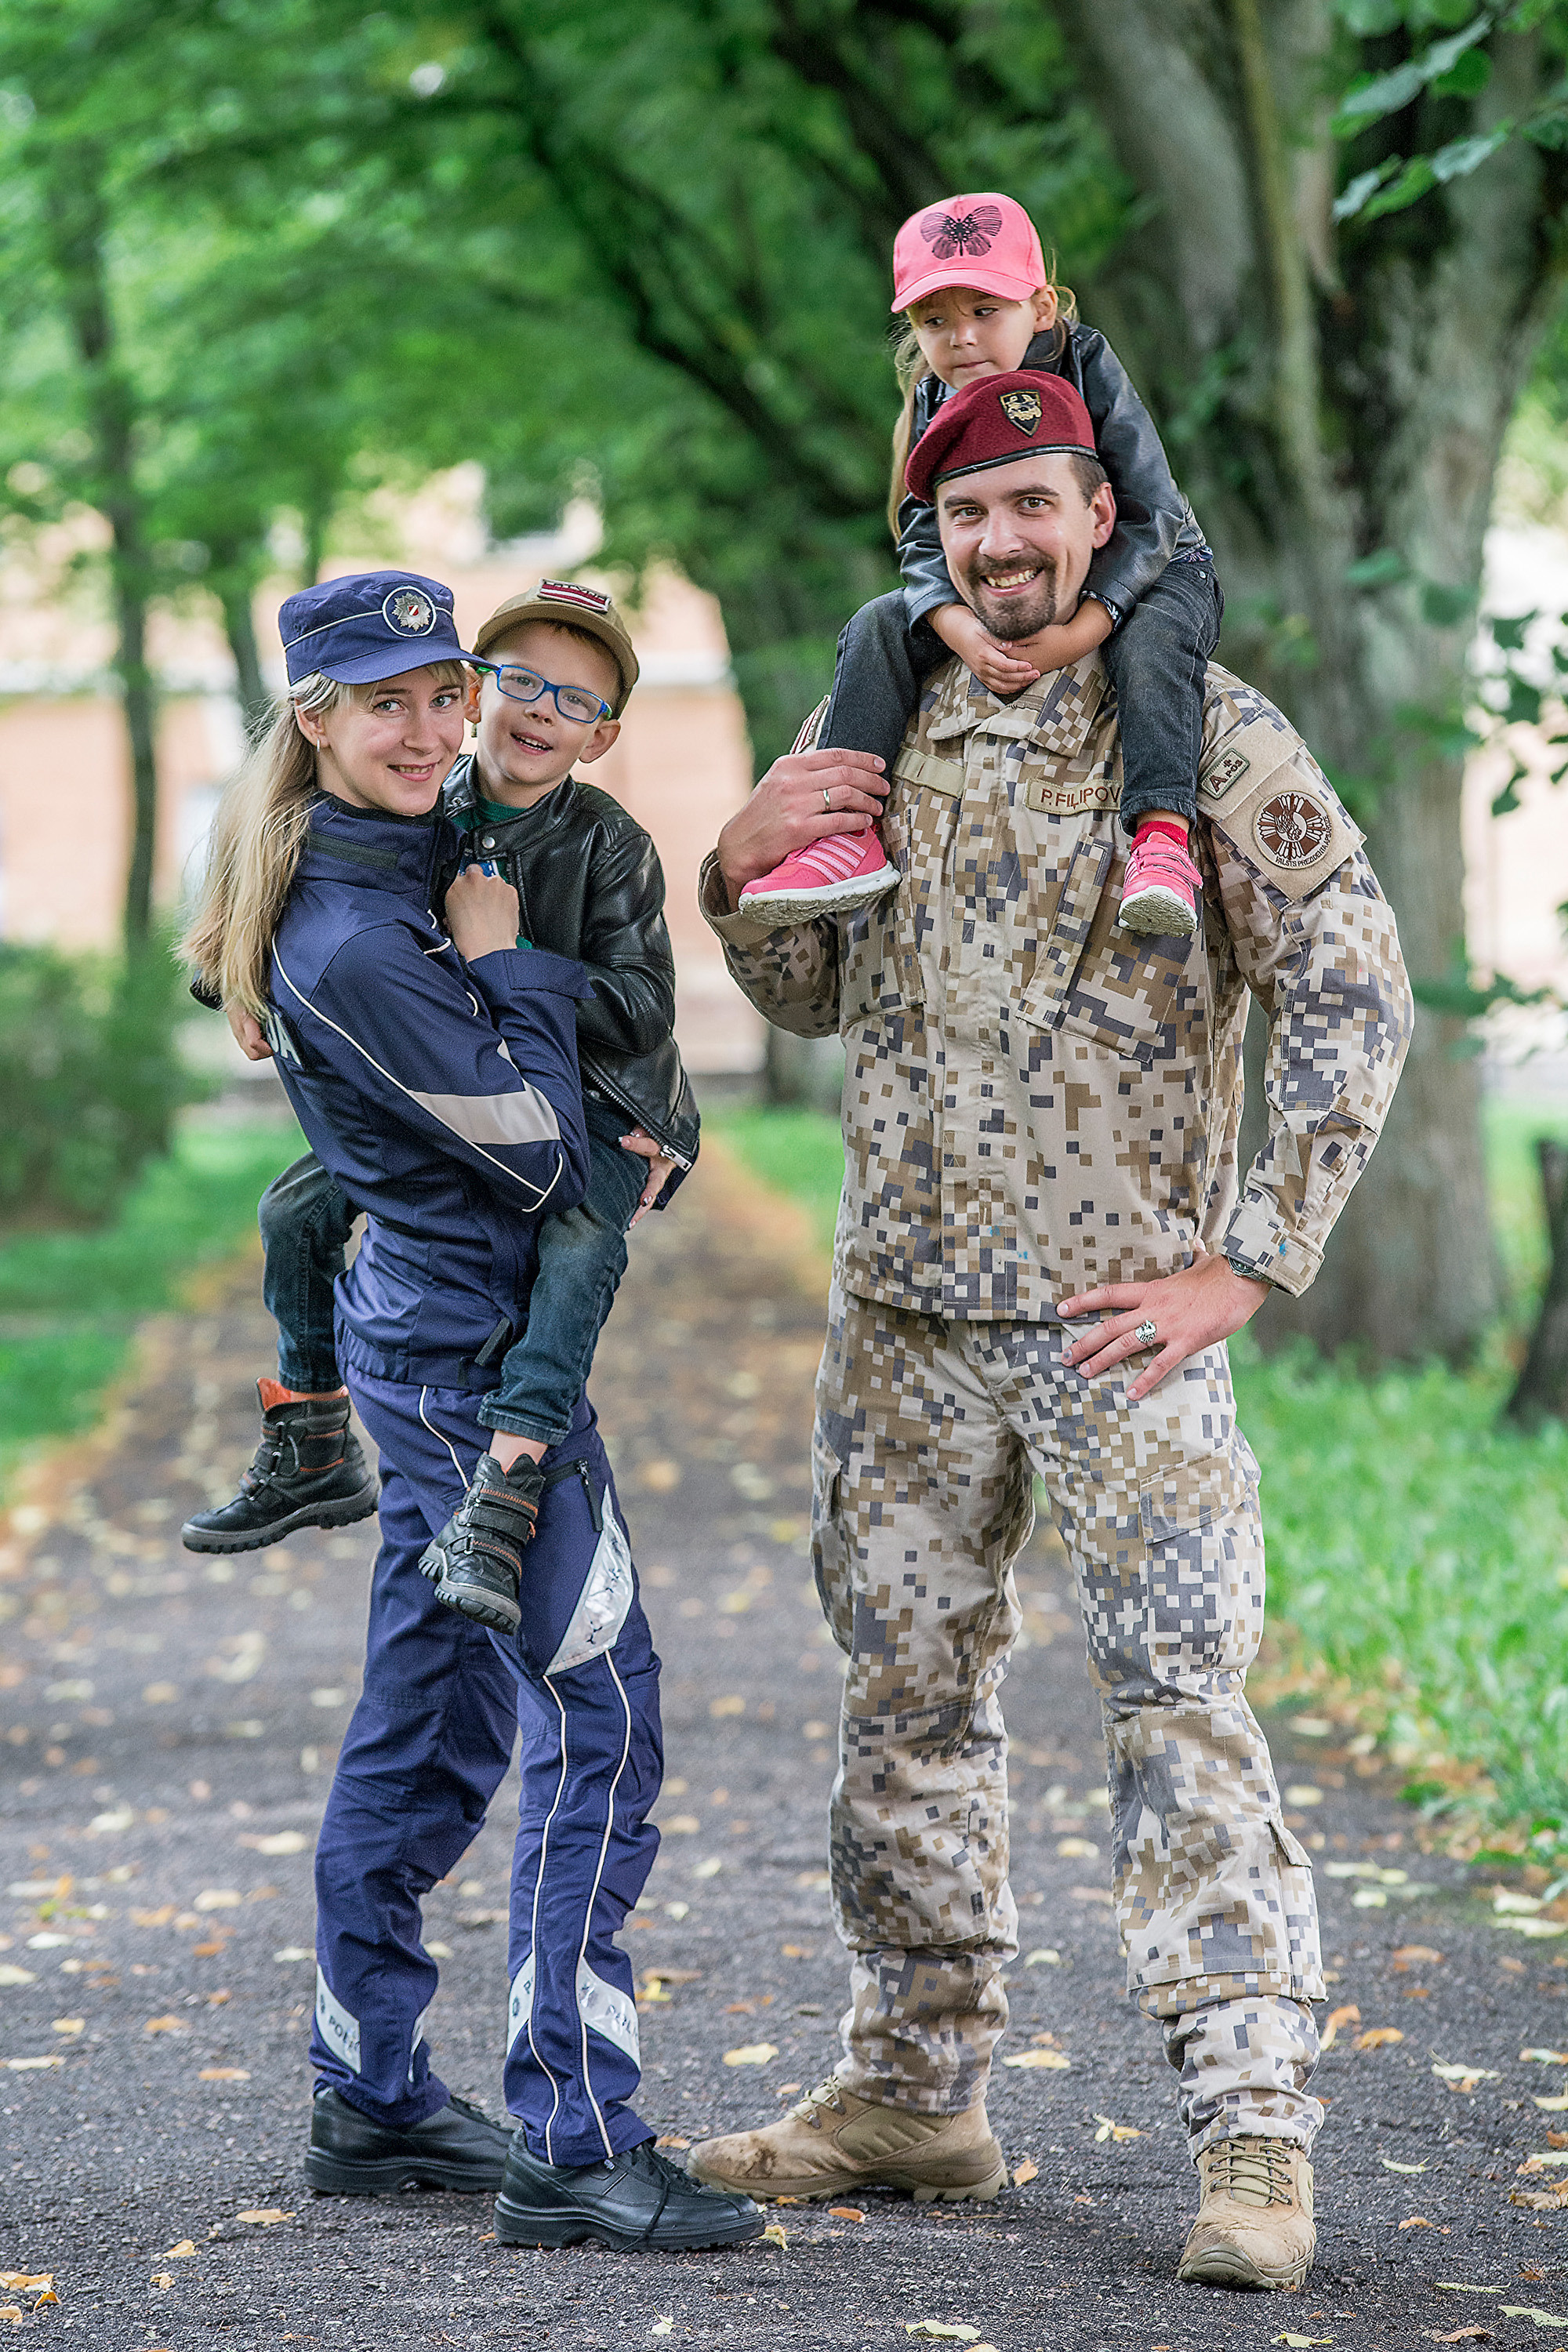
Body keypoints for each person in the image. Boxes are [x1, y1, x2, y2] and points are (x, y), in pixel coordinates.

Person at [686, 376, 1414, 2291]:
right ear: (933, 535)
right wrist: (730, 864)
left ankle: (1249, 2129)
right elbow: (809, 986)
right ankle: (910, 2090)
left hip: (1118, 1327)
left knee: (1180, 1706)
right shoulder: (878, 714)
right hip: (902, 1319)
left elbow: (1352, 991)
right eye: (968, 513)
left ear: (1097, 514)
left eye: (1034, 501)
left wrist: (1247, 1262)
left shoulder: (1203, 730)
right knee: (903, 1702)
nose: (1001, 540)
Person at [181, 570, 760, 2254]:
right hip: (469, 1371)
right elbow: (543, 1157)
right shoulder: (364, 934)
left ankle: (369, 2093)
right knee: (604, 1713)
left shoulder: (393, 858)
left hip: (426, 1344)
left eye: (447, 691)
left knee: (429, 1716)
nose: (434, 728)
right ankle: (572, 2136)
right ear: (315, 721)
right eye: (390, 705)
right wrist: (517, 974)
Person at [182, 578, 699, 1653]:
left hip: (598, 1107)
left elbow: (644, 1007)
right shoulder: (435, 799)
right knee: (295, 1209)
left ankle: (510, 1484)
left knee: (579, 1248)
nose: (542, 711)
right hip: (472, 1090)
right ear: (484, 694)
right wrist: (232, 975)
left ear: (602, 736)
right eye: (520, 682)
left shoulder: (606, 843)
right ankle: (311, 1431)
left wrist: (509, 963)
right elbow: (309, 870)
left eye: (576, 701)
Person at [737, 190, 1215, 940]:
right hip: (1002, 587)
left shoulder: (1088, 364)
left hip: (1151, 564)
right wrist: (958, 628)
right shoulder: (935, 396)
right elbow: (922, 535)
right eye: (934, 322)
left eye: (985, 310)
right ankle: (847, 833)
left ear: (1042, 307)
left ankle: (1162, 837)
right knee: (875, 626)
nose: (962, 338)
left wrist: (1085, 629)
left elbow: (1149, 511)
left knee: (1156, 640)